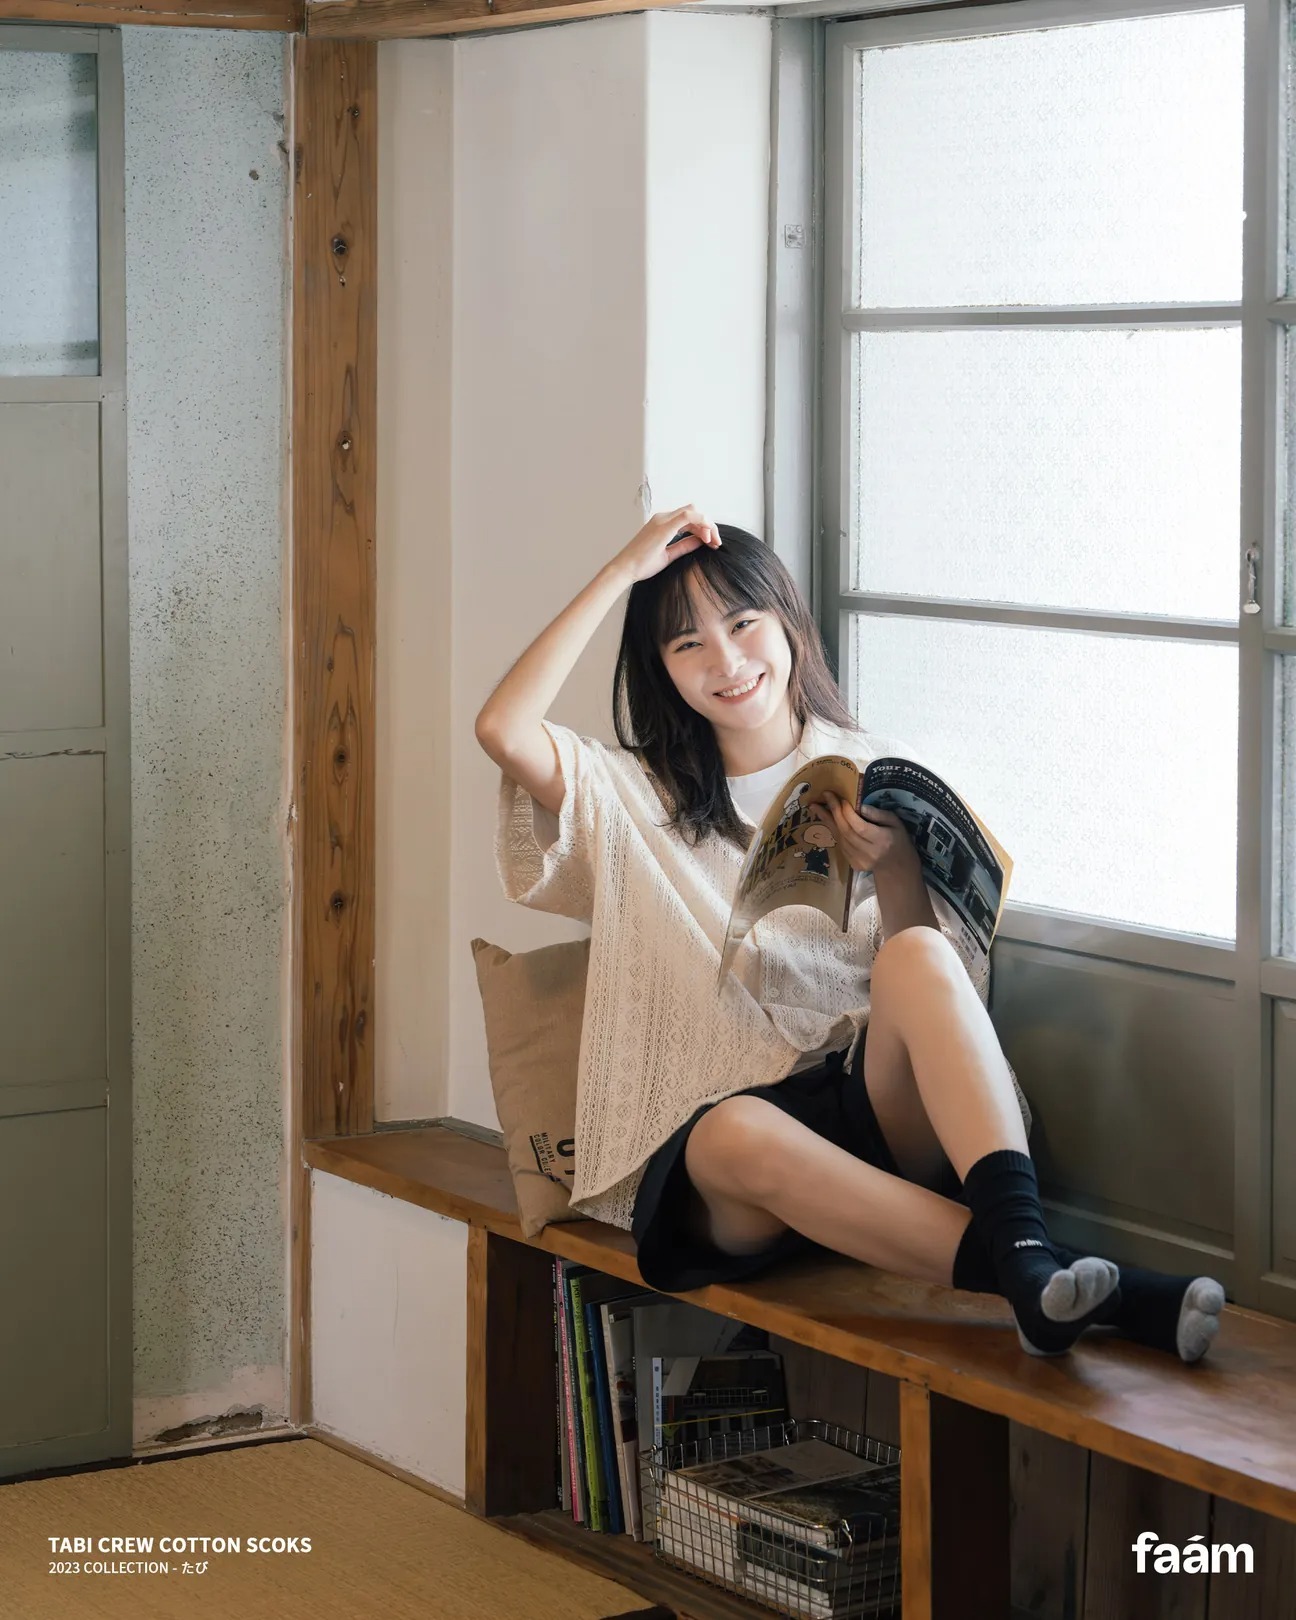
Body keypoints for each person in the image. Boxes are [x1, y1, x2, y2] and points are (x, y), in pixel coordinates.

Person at [475, 506, 1225, 1363]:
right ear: (661, 668)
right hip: (738, 1169)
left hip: (866, 1109)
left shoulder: (873, 770)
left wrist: (897, 869)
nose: (726, 661)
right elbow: (503, 729)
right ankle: (1073, 1281)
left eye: (743, 624)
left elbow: (940, 991)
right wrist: (621, 571)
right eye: (687, 644)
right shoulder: (632, 795)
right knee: (732, 1131)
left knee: (917, 954)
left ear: (787, 620)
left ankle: (1040, 1275)